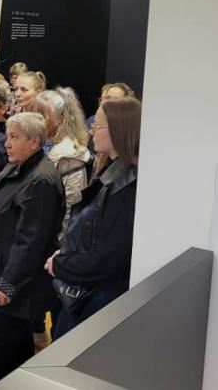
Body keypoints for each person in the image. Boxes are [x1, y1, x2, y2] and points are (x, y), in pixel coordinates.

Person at [0, 112, 65, 387]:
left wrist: (9, 283)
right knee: (6, 348)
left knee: (0, 345)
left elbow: (31, 241)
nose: (7, 143)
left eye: (14, 137)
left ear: (34, 142)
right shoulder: (17, 167)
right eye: (8, 136)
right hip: (0, 272)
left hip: (15, 285)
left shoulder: (40, 180)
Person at [46, 97, 141, 340]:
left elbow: (108, 257)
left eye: (97, 125)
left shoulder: (127, 187)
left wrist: (61, 265)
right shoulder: (115, 174)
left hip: (99, 297)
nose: (91, 131)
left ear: (118, 130)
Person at [26, 88, 92, 348]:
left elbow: (72, 209)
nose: (37, 120)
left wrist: (59, 249)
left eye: (43, 115)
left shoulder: (70, 156)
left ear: (61, 118)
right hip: (35, 242)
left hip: (54, 248)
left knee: (56, 308)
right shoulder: (38, 146)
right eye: (34, 113)